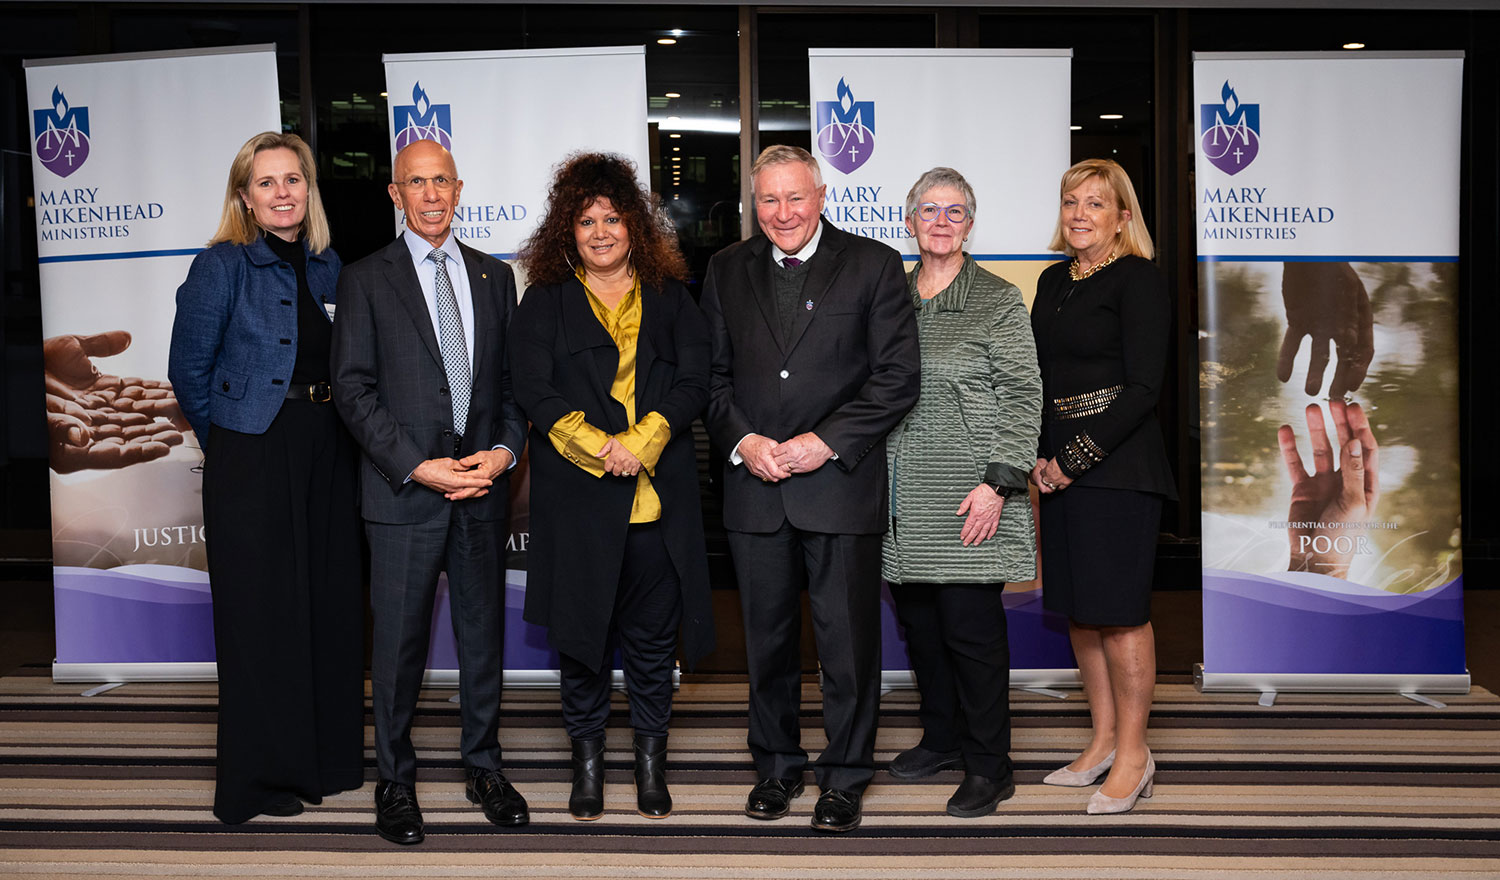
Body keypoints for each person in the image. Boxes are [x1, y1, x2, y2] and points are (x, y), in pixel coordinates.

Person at [701, 144, 920, 833]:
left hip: (838, 483)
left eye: (795, 197)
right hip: (756, 487)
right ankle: (776, 767)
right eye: (768, 199)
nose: (782, 213)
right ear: (752, 203)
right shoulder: (725, 268)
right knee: (766, 642)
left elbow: (896, 378)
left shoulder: (874, 264)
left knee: (846, 644)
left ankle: (846, 776)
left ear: (823, 196)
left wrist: (823, 442)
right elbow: (710, 378)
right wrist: (744, 440)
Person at [330, 138, 528, 845]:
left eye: (442, 180)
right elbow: (352, 392)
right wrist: (419, 466)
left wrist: (502, 456)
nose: (432, 194)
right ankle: (395, 780)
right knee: (399, 647)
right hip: (403, 494)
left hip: (480, 491)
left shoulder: (493, 277)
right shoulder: (365, 278)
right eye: (418, 182)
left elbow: (511, 388)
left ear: (460, 186)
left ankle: (484, 767)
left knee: (483, 639)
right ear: (395, 193)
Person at [509, 152, 714, 821]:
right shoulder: (543, 302)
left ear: (636, 227)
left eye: (613, 219)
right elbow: (532, 391)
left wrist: (644, 439)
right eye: (587, 220)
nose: (601, 232)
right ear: (567, 230)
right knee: (583, 645)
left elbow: (695, 383)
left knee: (654, 647)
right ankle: (588, 766)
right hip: (578, 508)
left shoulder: (670, 297)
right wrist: (601, 447)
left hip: (656, 508)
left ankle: (650, 764)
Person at [167, 131, 363, 824]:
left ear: (309, 191)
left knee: (326, 608)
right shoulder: (222, 266)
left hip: (328, 450)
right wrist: (234, 446)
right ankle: (257, 779)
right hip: (252, 452)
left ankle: (325, 761)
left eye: (294, 180)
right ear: (245, 197)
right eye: (267, 182)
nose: (283, 192)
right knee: (261, 617)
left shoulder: (329, 266)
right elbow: (188, 372)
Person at [881, 168, 1042, 818]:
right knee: (921, 629)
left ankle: (989, 765)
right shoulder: (888, 295)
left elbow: (1024, 395)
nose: (941, 222)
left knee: (970, 635)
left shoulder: (998, 299)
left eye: (955, 211)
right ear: (910, 221)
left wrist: (999, 484)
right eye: (929, 210)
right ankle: (942, 737)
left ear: (970, 224)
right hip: (900, 500)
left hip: (972, 497)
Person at [1029, 158, 1177, 814]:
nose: (1080, 214)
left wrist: (1075, 458)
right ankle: (1103, 743)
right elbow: (1041, 378)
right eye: (1071, 202)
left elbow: (1145, 387)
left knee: (1119, 614)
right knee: (1082, 613)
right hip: (1058, 472)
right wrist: (1040, 459)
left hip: (1118, 470)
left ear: (1123, 216)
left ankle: (1137, 753)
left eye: (1096, 203)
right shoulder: (1054, 280)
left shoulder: (1139, 280)